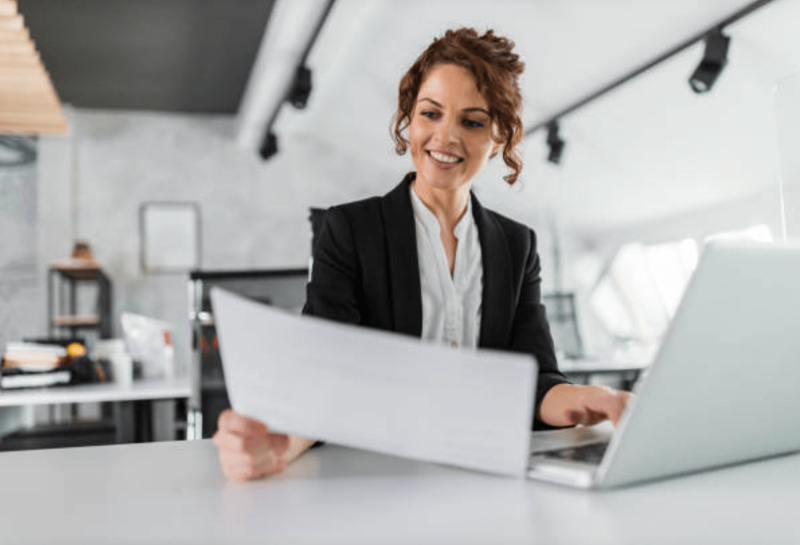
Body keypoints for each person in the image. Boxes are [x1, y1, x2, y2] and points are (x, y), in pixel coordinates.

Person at [214, 28, 631, 482]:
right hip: (377, 477)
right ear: (409, 120)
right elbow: (324, 376)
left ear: (499, 138)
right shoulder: (351, 230)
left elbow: (536, 379)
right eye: (430, 113)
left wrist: (589, 399)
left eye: (472, 122)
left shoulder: (518, 245)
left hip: (484, 475)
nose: (445, 137)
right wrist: (280, 446)